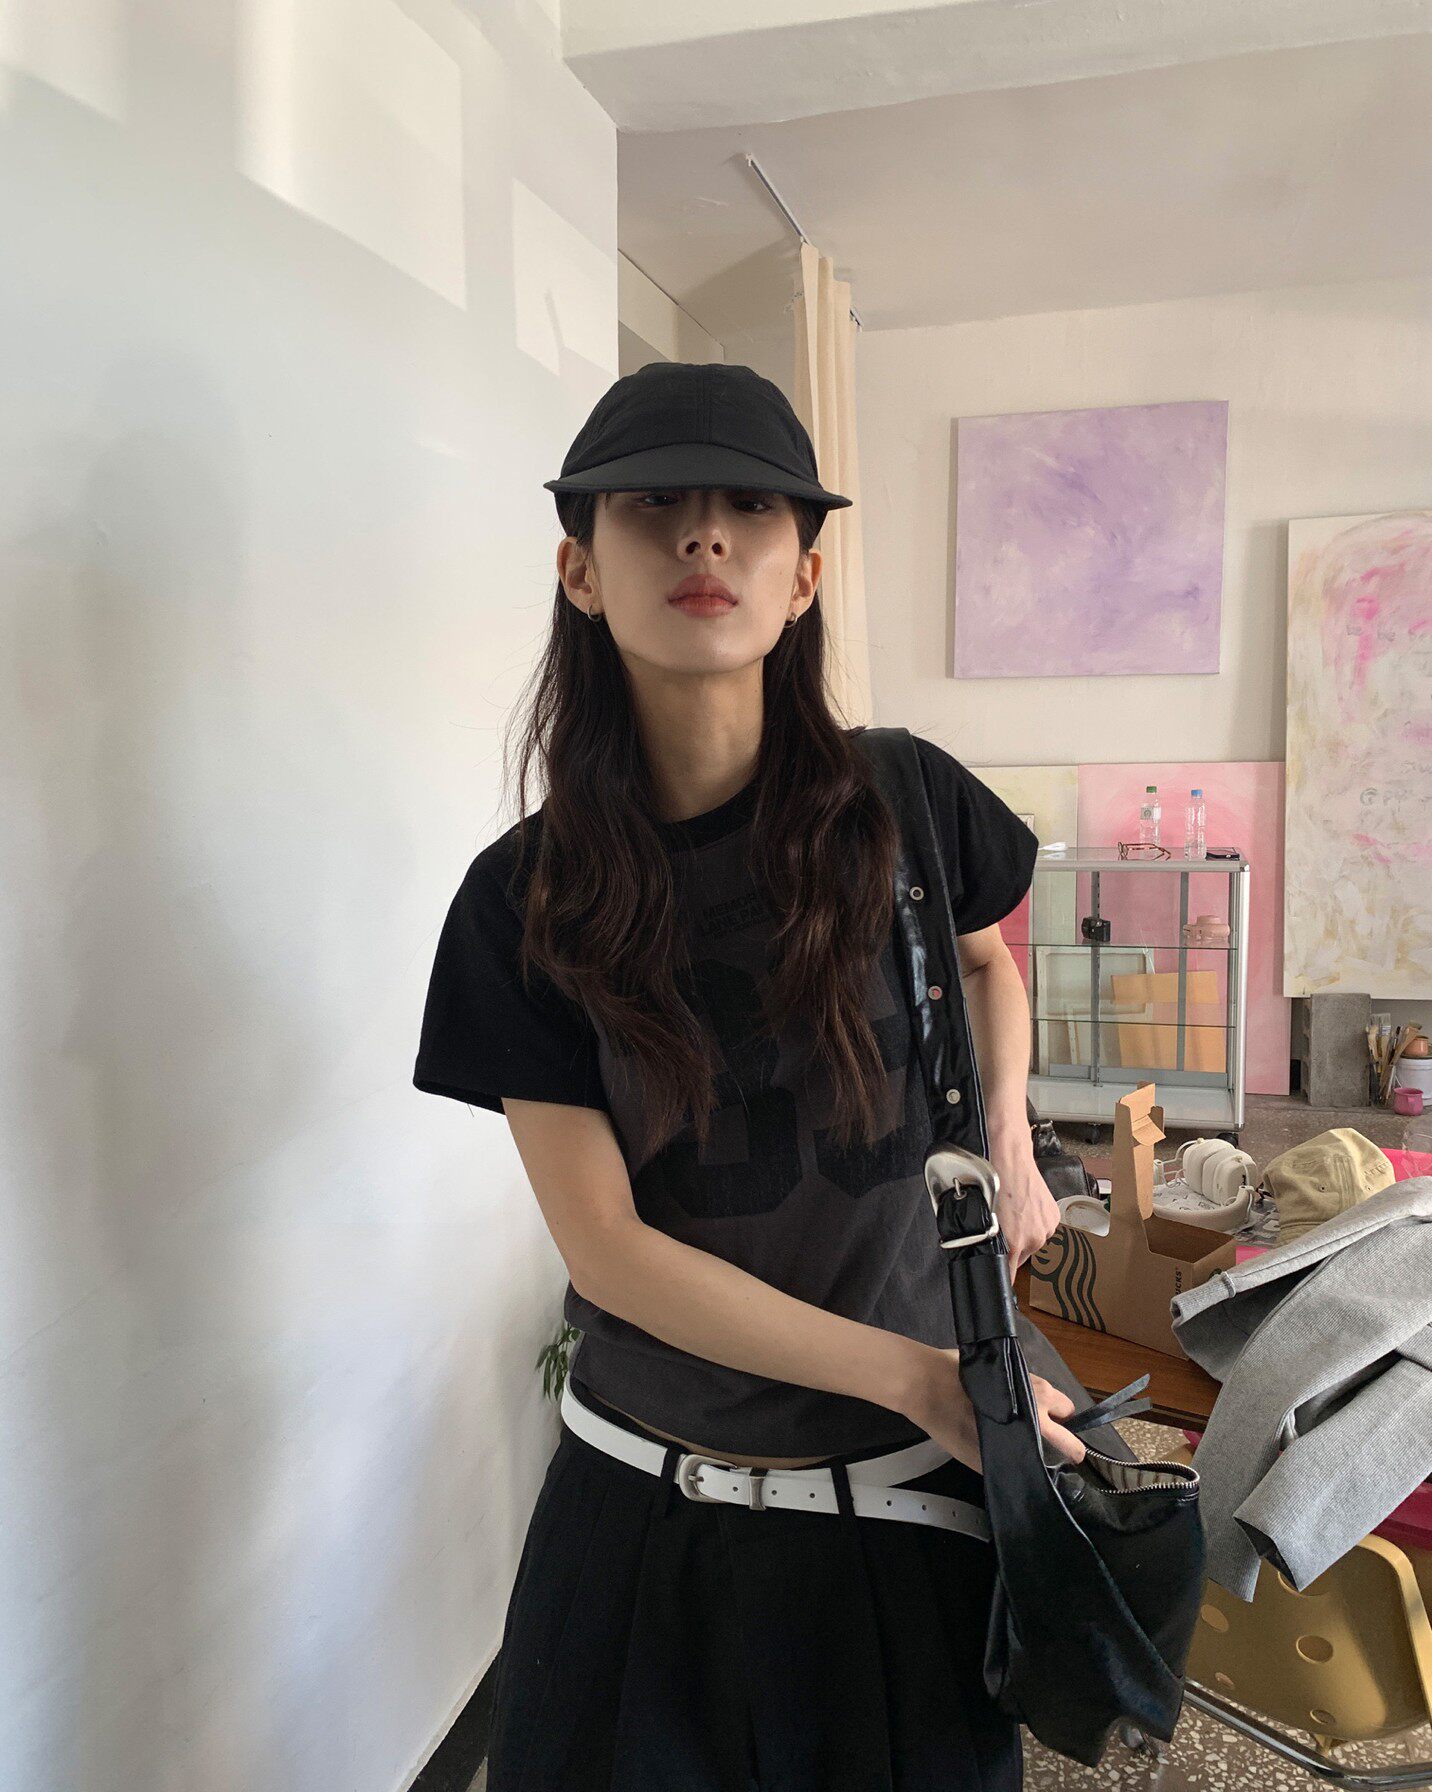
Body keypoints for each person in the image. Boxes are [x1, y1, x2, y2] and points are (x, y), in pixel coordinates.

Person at [412, 361, 1086, 1791]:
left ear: (804, 577)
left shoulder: (907, 800)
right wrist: (919, 1379)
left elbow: (988, 968)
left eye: (751, 508)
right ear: (580, 569)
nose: (704, 533)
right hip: (647, 1511)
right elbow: (607, 1249)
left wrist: (1011, 1142)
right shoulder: (522, 902)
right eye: (653, 504)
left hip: (911, 1514)